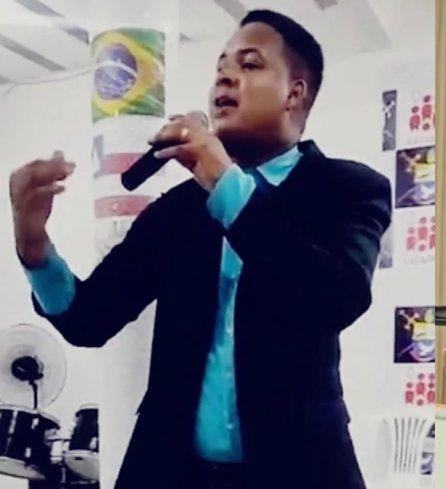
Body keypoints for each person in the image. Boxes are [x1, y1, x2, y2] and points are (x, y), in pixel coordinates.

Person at [9, 9, 390, 489]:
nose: (225, 77)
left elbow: (335, 297)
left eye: (249, 64)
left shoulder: (348, 189)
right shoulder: (178, 209)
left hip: (300, 470)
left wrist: (225, 182)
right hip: (173, 471)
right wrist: (33, 245)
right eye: (220, 67)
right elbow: (89, 319)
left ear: (295, 93)